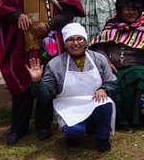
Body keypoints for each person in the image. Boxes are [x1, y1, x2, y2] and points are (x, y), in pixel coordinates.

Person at [0, 0, 84, 144]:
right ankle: (18, 128)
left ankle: (43, 126)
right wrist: (18, 16)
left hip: (51, 46)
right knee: (22, 86)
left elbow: (71, 9)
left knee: (47, 83)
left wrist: (50, 23)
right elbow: (3, 9)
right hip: (23, 44)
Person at [26, 23, 118, 152]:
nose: (75, 43)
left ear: (85, 41)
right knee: (74, 132)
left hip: (94, 101)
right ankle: (76, 132)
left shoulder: (99, 59)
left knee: (105, 103)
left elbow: (112, 81)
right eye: (70, 40)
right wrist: (36, 82)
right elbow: (46, 95)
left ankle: (102, 138)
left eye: (79, 39)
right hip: (69, 105)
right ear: (65, 43)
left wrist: (104, 89)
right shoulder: (55, 64)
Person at [91, 0, 144, 129]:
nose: (131, 12)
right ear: (120, 11)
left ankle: (137, 121)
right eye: (127, 9)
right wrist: (107, 62)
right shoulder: (111, 27)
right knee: (112, 82)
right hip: (114, 70)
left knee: (137, 76)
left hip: (138, 69)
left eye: (134, 10)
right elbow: (98, 47)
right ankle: (118, 122)